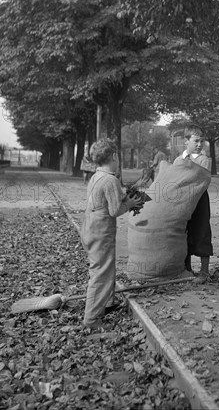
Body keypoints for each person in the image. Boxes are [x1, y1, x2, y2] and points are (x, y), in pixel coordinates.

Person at [81, 138, 143, 331]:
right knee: (101, 272)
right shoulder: (111, 180)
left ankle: (107, 303)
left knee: (104, 268)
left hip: (89, 228)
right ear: (114, 156)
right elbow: (115, 210)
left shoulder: (96, 176)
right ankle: (91, 319)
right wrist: (131, 204)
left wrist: (123, 195)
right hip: (101, 231)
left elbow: (103, 200)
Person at [173, 124, 213, 283]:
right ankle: (186, 269)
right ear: (186, 141)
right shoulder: (178, 160)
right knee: (184, 232)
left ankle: (204, 271)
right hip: (182, 202)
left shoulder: (204, 160)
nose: (199, 144)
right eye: (196, 141)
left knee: (202, 231)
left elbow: (201, 180)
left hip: (199, 200)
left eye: (201, 141)